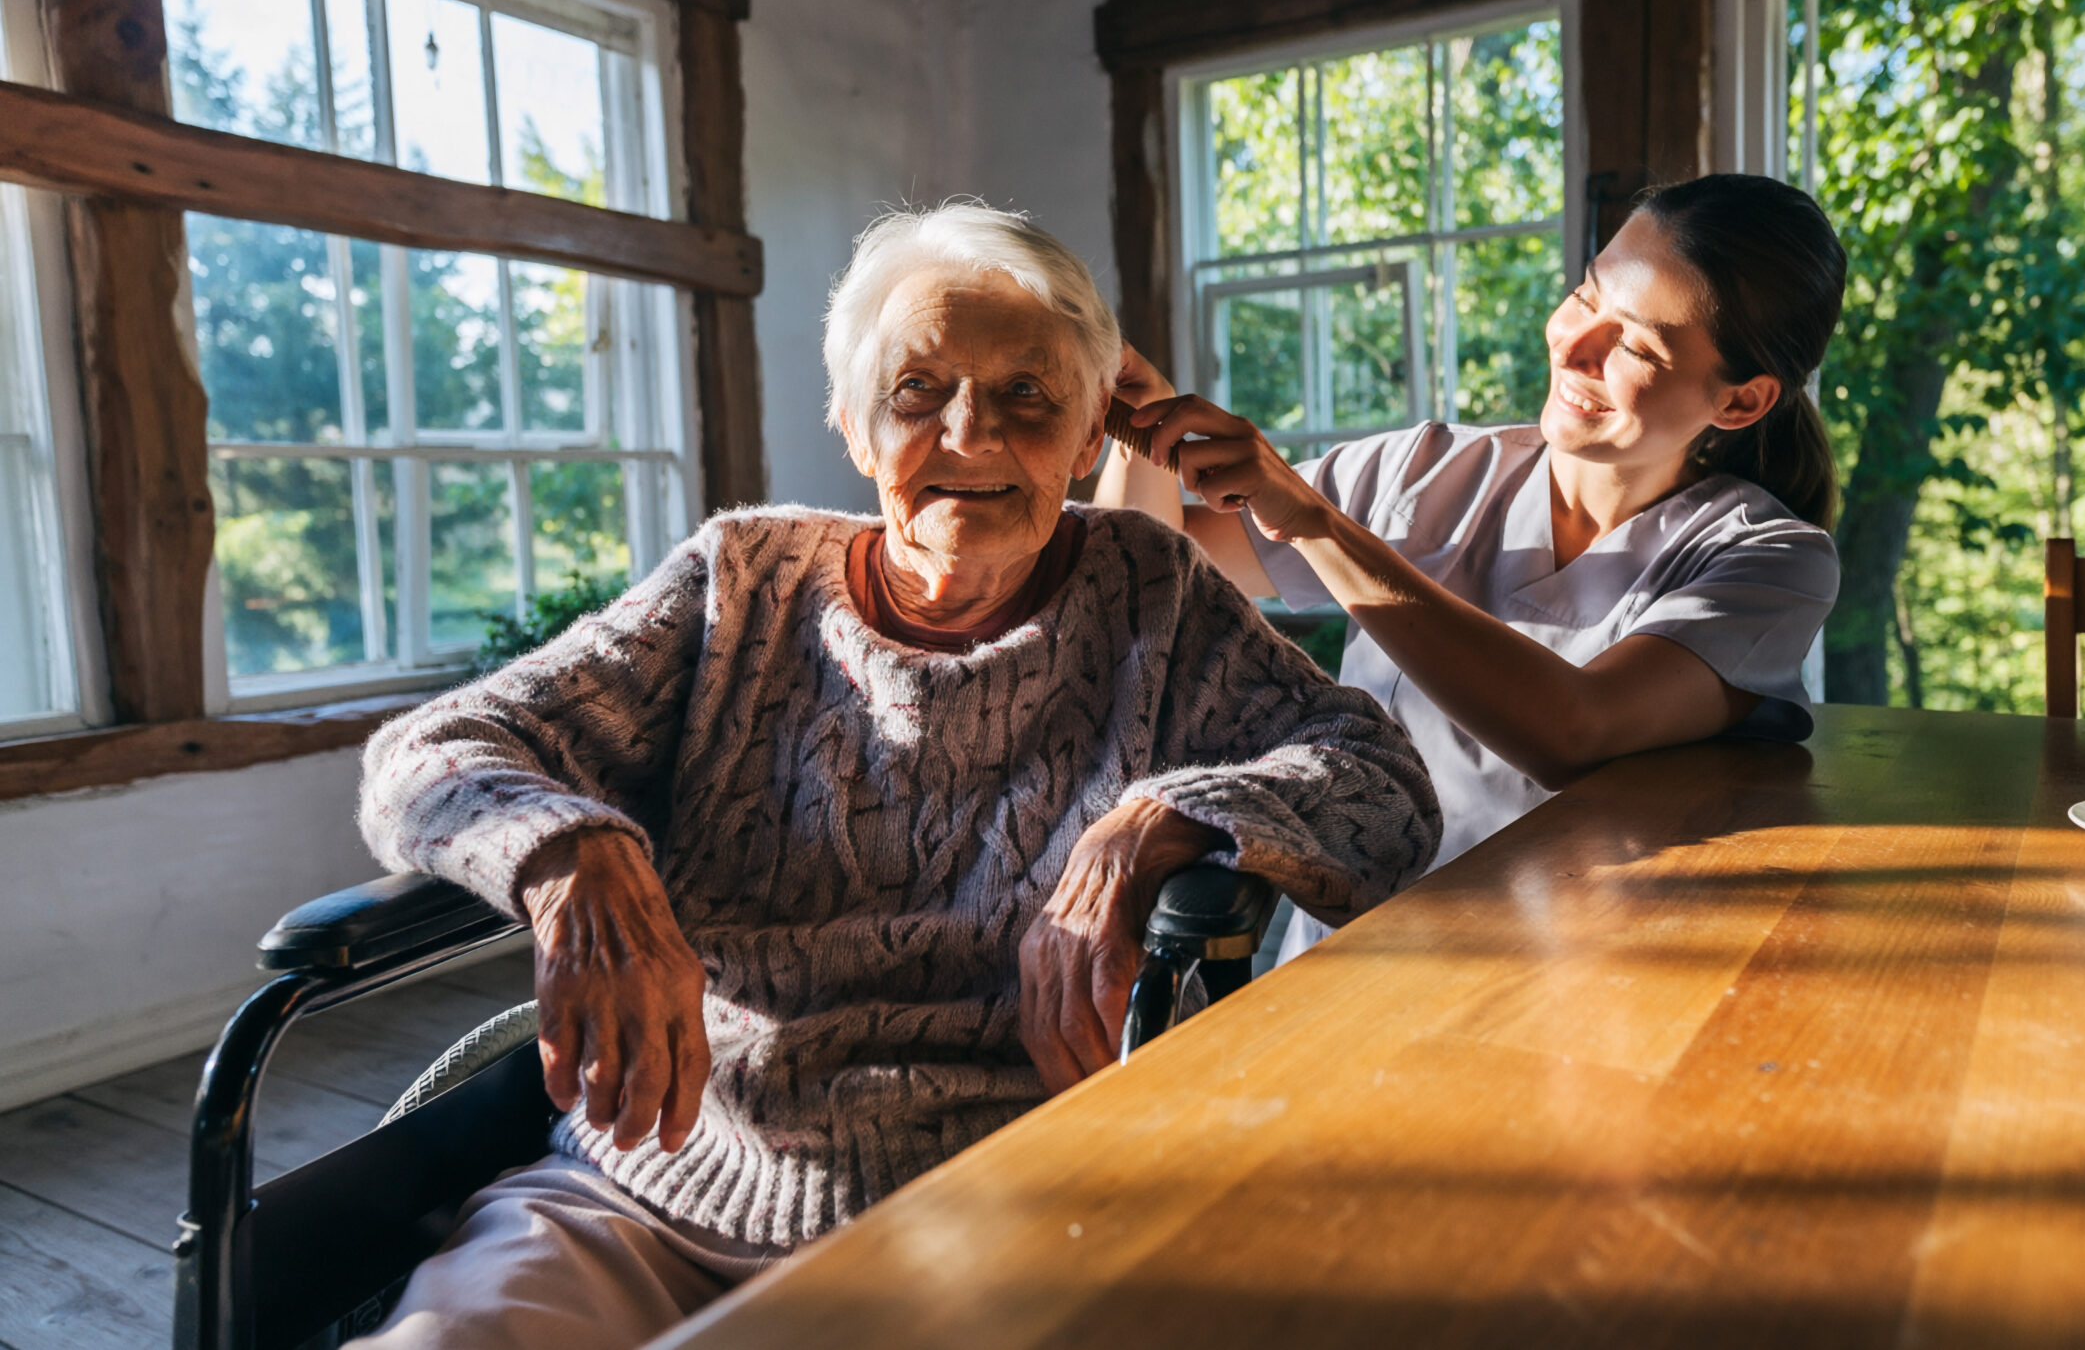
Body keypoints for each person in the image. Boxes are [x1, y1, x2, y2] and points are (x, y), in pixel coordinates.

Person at [348, 203, 1441, 1349]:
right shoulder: (743, 580)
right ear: (855, 427)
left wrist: (1160, 816)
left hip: (1004, 1199)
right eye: (918, 389)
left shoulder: (1149, 591)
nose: (970, 433)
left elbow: (1382, 783)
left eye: (1028, 394)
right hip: (649, 1190)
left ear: (1086, 444)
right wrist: (571, 848)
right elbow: (424, 755)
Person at [1097, 174, 1843, 956]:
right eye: (1587, 297)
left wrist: (1317, 526)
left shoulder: (1766, 561)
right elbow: (1154, 573)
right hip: (1335, 976)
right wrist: (1140, 422)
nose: (1575, 346)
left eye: (1635, 343)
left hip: (1566, 991)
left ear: (1742, 402)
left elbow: (1571, 729)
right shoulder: (1422, 471)